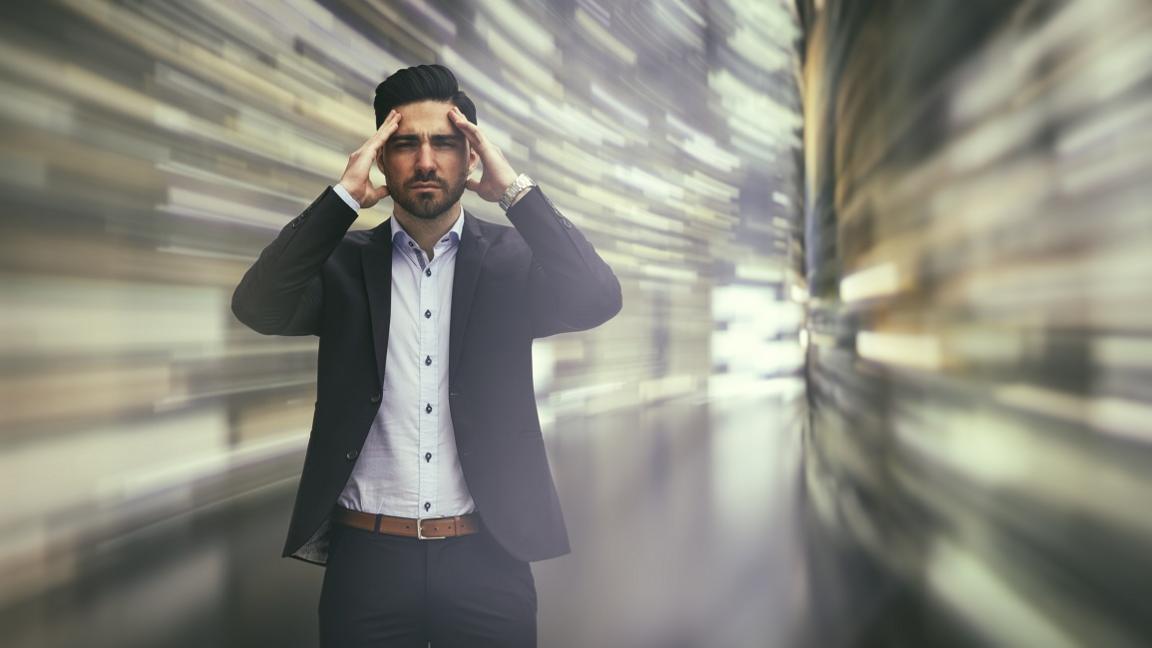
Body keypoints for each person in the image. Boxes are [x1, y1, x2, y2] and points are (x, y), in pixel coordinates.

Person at [231, 64, 622, 647]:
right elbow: (257, 305)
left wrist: (514, 192)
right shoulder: (342, 265)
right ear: (383, 160)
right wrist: (343, 198)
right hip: (367, 561)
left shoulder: (511, 262)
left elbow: (597, 298)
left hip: (488, 555)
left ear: (471, 158)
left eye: (445, 142)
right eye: (405, 144)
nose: (425, 161)